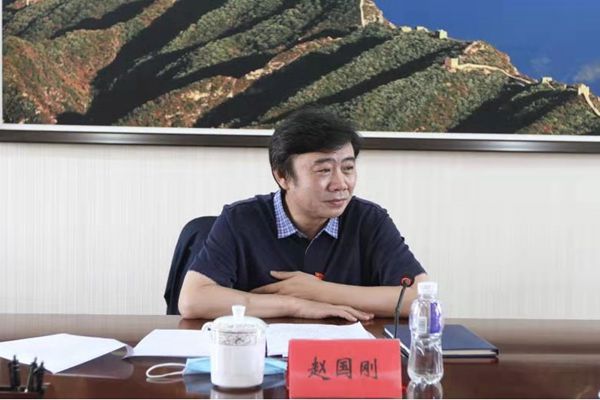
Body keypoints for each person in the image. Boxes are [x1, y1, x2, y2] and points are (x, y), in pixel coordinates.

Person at [179, 108, 428, 321]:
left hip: (341, 353)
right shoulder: (241, 220)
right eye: (324, 170)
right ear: (283, 176)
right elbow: (193, 300)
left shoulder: (369, 220)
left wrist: (319, 291)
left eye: (348, 168)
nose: (340, 184)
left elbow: (422, 298)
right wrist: (294, 304)